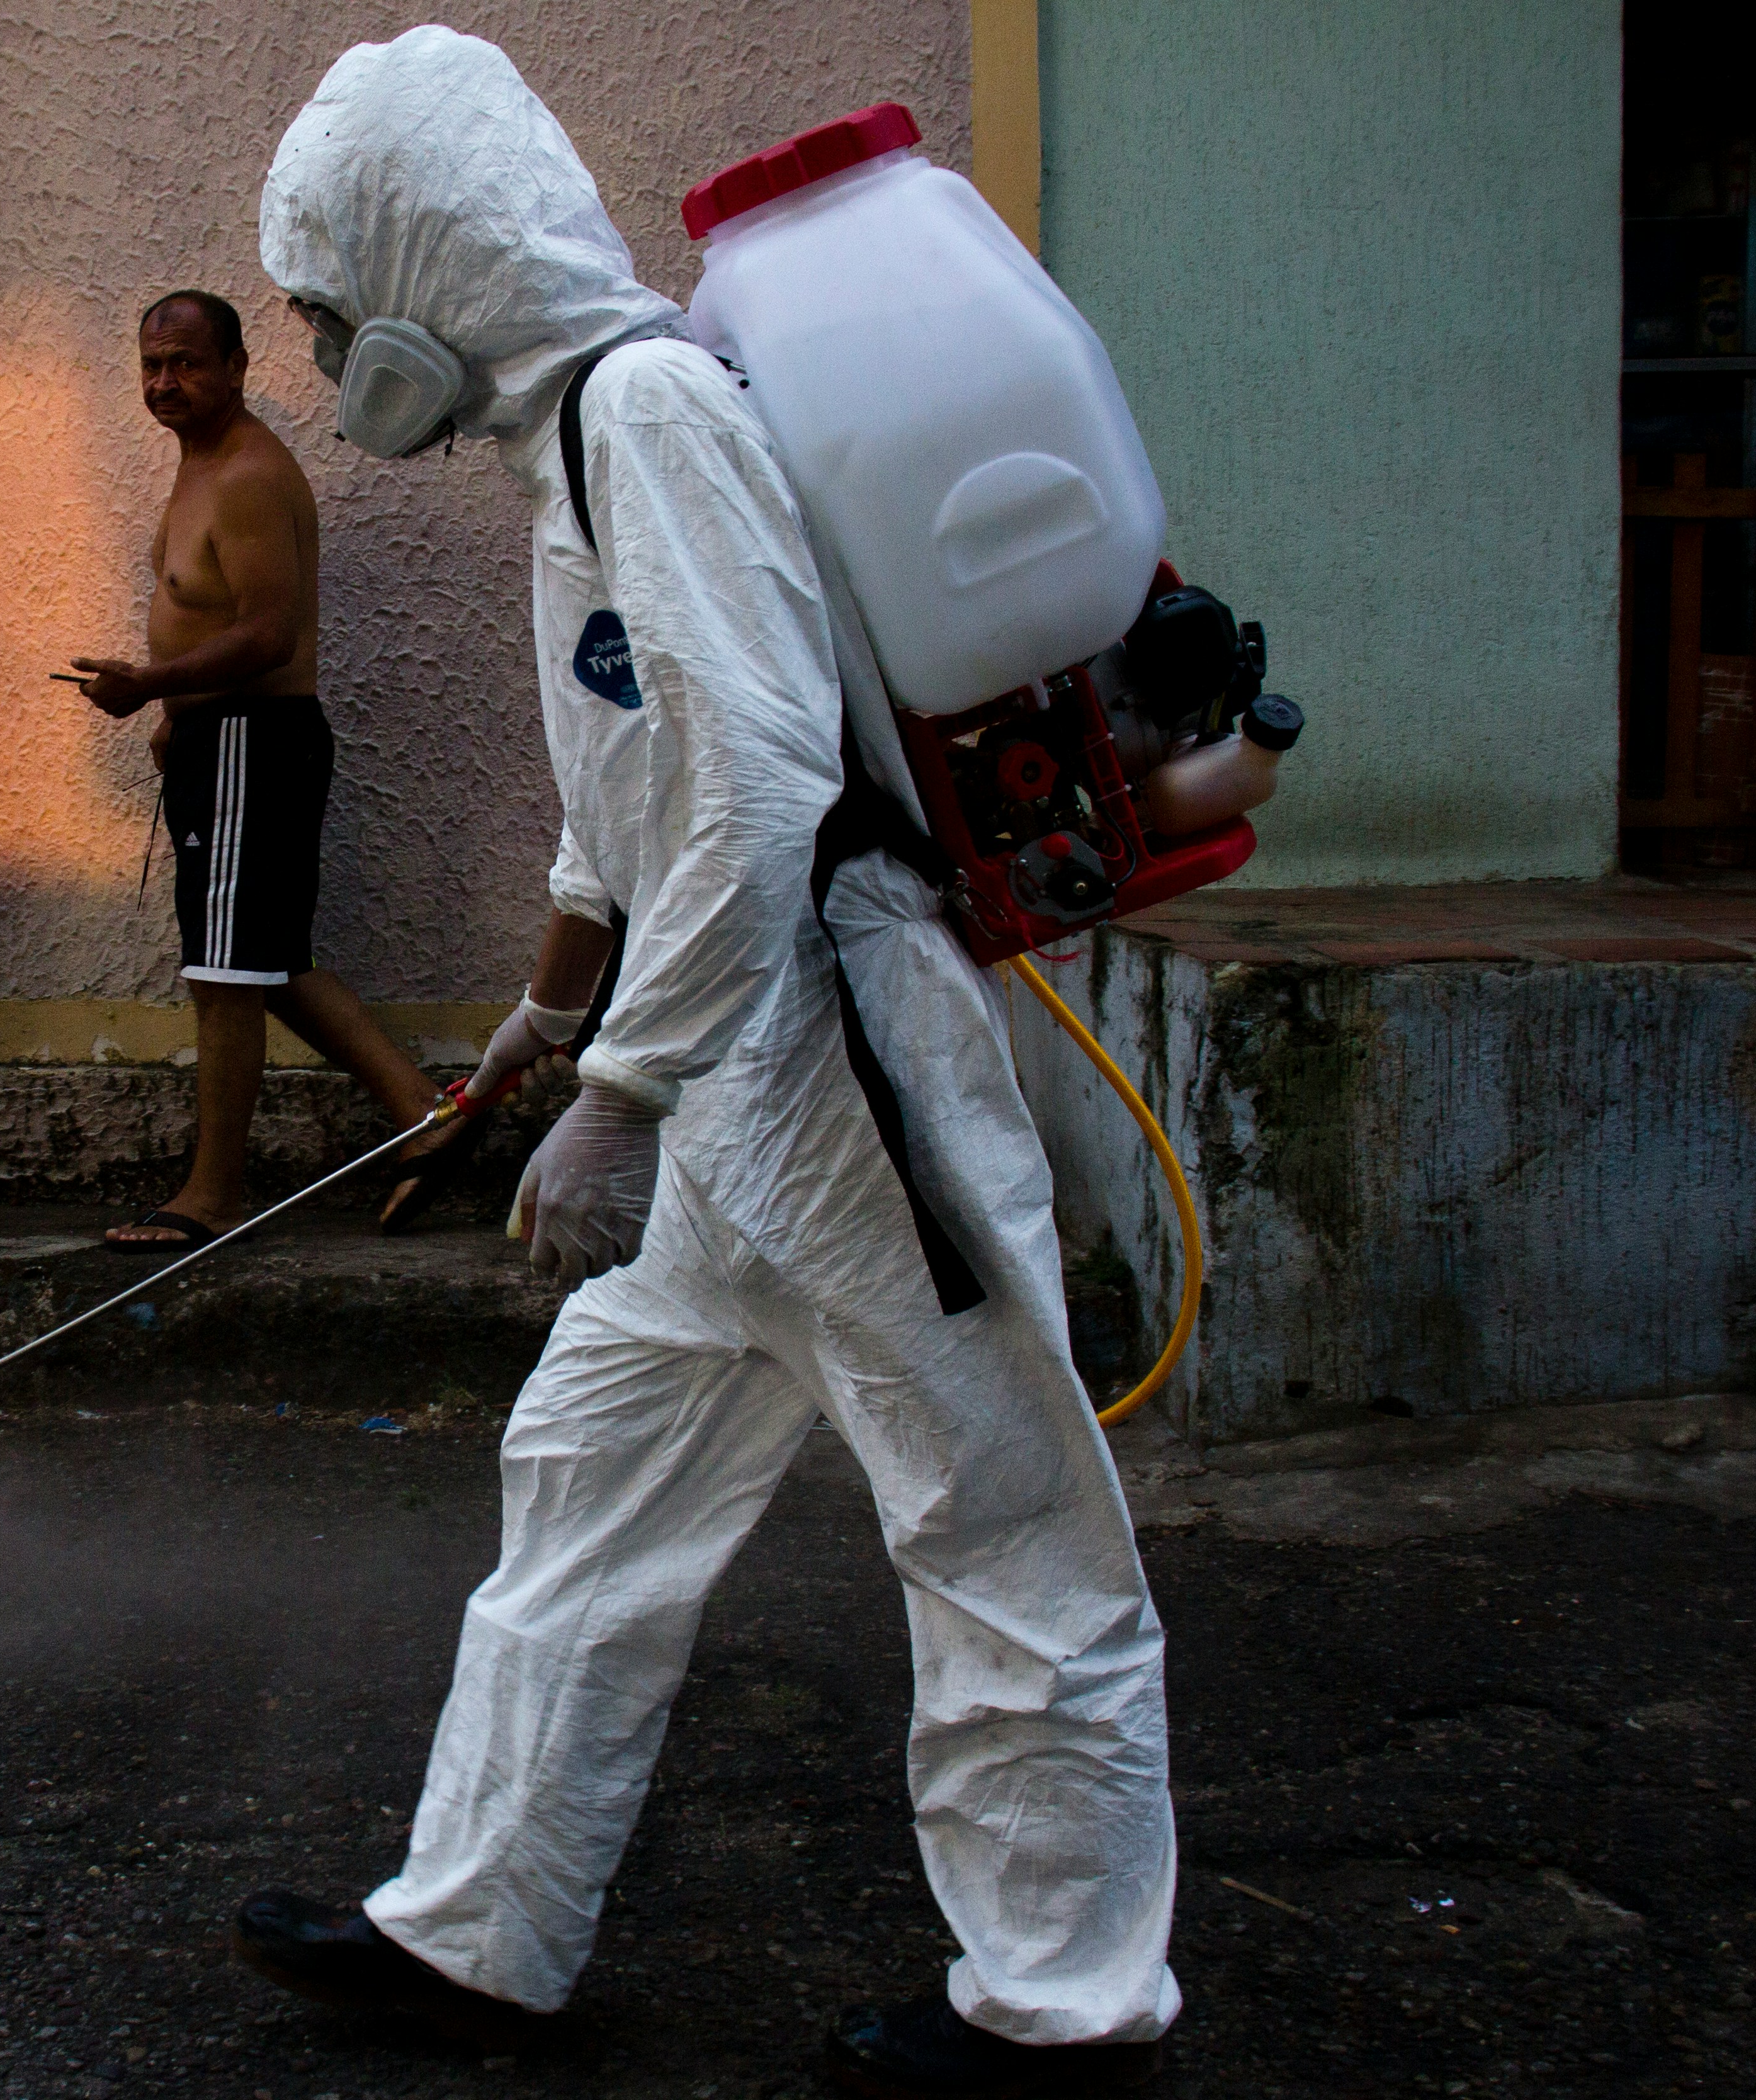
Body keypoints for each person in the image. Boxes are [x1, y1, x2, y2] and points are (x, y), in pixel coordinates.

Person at [228, 31, 1179, 2097]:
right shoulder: (564, 432)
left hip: (826, 1059)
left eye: (324, 306)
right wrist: (552, 1019)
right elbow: (628, 800)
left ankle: (1067, 2004)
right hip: (726, 1074)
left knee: (993, 1507)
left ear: (429, 250)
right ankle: (478, 1926)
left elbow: (754, 782)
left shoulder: (644, 407)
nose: (319, 347)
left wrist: (619, 1099)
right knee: (585, 1480)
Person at [68, 289, 481, 1248]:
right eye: (151, 364)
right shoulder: (202, 464)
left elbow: (269, 630)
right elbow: (221, 617)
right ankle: (430, 1111)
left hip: (253, 740)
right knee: (265, 962)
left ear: (238, 368)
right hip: (224, 740)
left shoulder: (248, 473)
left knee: (225, 975)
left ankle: (211, 1198)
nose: (165, 381)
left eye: (187, 363)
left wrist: (153, 684)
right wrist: (177, 716)